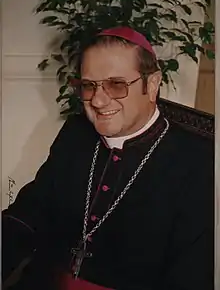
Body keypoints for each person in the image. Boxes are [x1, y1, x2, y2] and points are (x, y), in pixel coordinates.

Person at [2, 26, 214, 290]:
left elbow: (191, 275)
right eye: (89, 86)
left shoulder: (200, 162)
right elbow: (29, 213)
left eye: (116, 85)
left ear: (152, 83)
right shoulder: (76, 133)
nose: (99, 100)